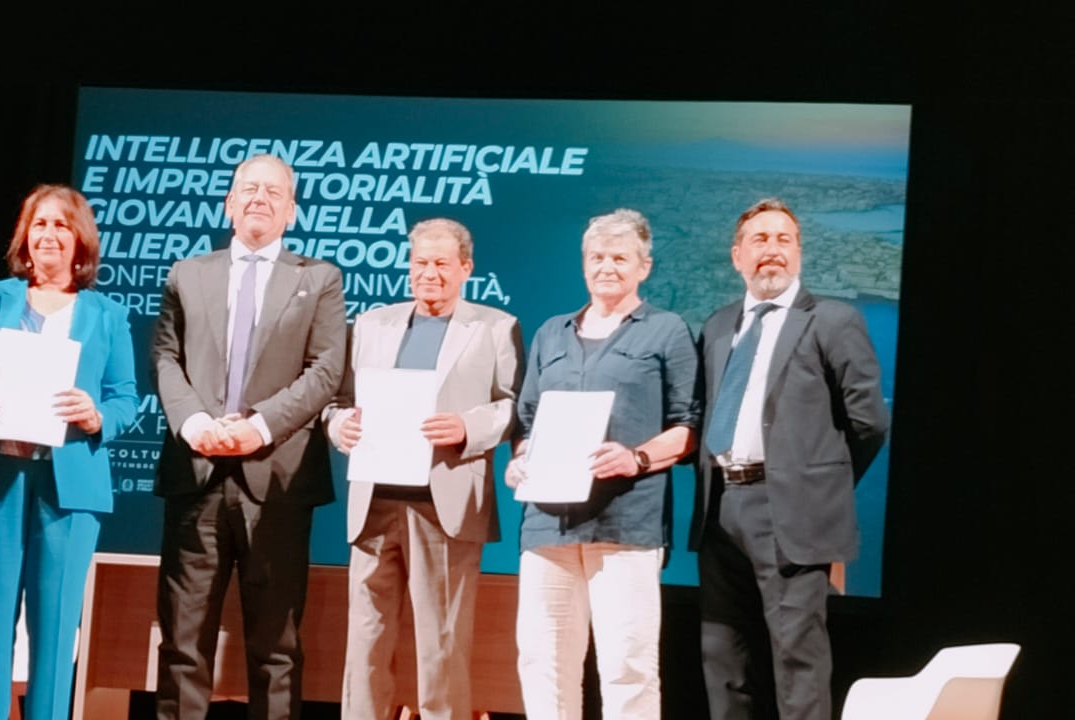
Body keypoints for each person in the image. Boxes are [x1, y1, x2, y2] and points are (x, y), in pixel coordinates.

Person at [150, 153, 347, 720]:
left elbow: (326, 370)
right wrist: (196, 425)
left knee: (276, 648)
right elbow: (165, 356)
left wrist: (257, 428)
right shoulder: (187, 273)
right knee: (183, 644)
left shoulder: (319, 279)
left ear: (292, 211)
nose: (260, 198)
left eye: (273, 192)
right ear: (229, 204)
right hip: (196, 475)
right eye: (249, 189)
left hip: (278, 479)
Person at [0, 184, 139, 720]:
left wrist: (97, 416)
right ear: (24, 236)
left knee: (54, 633)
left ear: (81, 240)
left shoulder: (106, 313)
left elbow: (126, 397)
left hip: (70, 487)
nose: (49, 234)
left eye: (61, 225)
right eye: (39, 224)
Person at [692, 198, 887, 720]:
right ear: (737, 255)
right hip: (720, 509)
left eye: (784, 240)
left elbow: (869, 423)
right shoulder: (718, 326)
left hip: (793, 513)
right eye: (760, 239)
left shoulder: (833, 320)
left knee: (797, 660)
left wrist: (816, 484)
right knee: (724, 659)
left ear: (799, 253)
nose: (772, 250)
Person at [325, 218, 523, 720]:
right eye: (419, 263)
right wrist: (340, 426)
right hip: (374, 501)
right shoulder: (372, 325)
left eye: (440, 263)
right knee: (365, 640)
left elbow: (513, 405)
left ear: (465, 268)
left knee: (442, 643)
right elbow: (338, 402)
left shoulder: (495, 327)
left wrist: (466, 426)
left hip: (445, 503)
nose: (428, 273)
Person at [506, 209, 698, 720]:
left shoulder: (666, 331)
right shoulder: (552, 333)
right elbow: (526, 422)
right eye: (596, 257)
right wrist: (520, 461)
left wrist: (636, 458)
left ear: (644, 267)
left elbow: (689, 427)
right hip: (547, 523)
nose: (606, 267)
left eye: (619, 257)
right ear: (583, 263)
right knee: (543, 662)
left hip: (625, 524)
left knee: (627, 667)